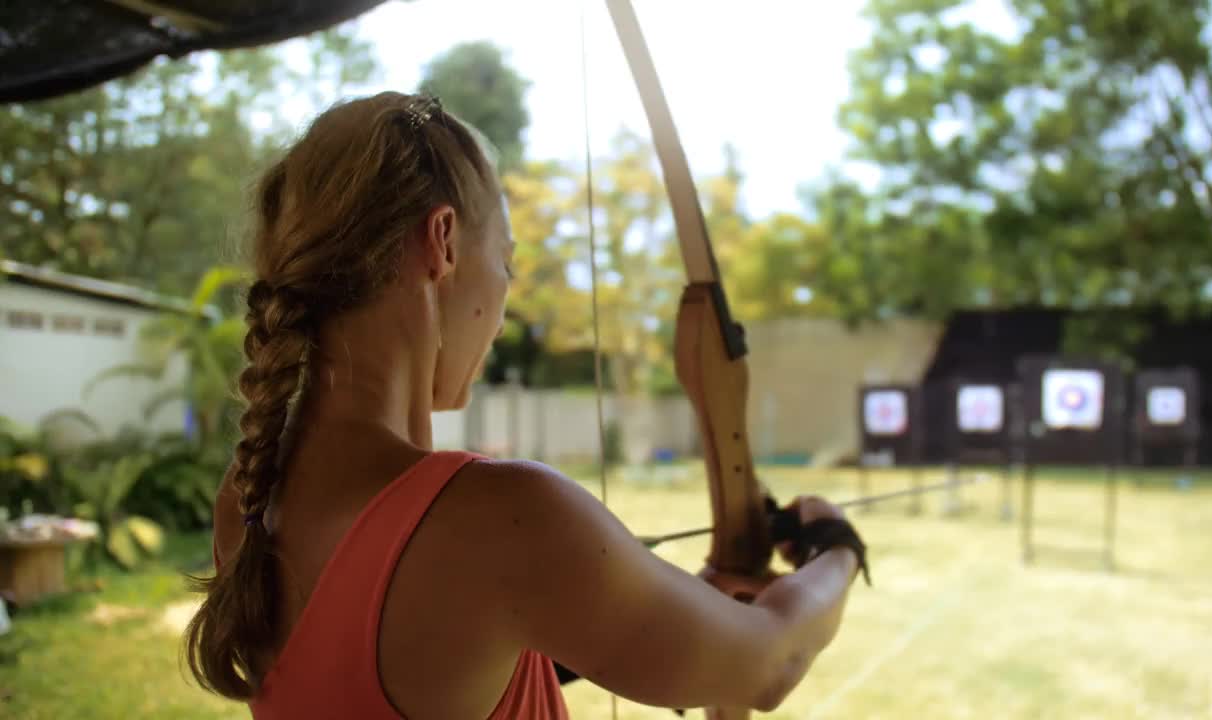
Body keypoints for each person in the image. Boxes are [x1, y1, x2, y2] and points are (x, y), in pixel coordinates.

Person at [184, 91, 863, 719]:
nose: (504, 310)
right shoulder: (498, 517)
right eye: (505, 262)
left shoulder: (243, 499)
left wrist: (660, 608)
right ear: (442, 241)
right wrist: (835, 546)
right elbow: (771, 659)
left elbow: (405, 665)